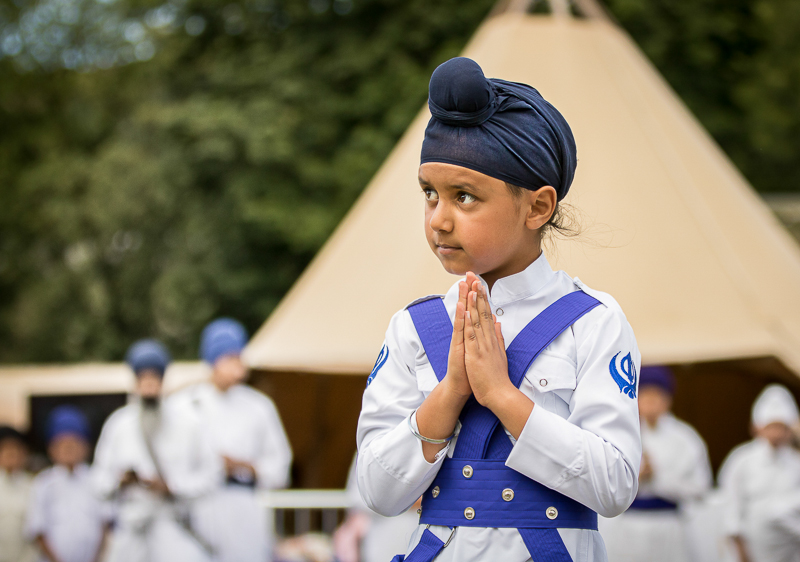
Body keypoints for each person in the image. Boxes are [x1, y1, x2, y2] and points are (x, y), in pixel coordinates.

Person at [356, 57, 642, 562]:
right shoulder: (413, 328)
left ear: (538, 207)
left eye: (465, 197)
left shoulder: (593, 321)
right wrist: (450, 392)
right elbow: (378, 491)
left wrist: (500, 395)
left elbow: (615, 484)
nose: (439, 220)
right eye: (430, 194)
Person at [92, 339, 220, 562]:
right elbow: (98, 480)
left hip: (171, 525)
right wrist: (120, 481)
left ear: (162, 380)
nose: (149, 386)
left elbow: (211, 476)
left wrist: (172, 486)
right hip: (130, 529)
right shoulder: (118, 424)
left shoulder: (188, 424)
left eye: (154, 378)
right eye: (144, 378)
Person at [176, 318, 292, 562]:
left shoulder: (259, 406)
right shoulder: (186, 405)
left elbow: (280, 464)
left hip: (244, 508)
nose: (236, 364)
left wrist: (243, 466)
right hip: (200, 507)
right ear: (213, 360)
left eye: (238, 357)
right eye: (228, 358)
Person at [599, 366, 712, 562]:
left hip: (669, 526)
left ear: (668, 399)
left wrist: (658, 478)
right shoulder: (622, 435)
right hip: (630, 526)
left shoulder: (685, 438)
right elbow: (604, 481)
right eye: (645, 394)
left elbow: (701, 487)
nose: (651, 401)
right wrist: (635, 477)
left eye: (657, 395)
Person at [719, 384, 800, 562]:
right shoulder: (741, 459)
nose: (777, 433)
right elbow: (731, 507)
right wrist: (740, 551)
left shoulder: (796, 463)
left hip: (789, 553)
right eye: (772, 426)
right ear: (757, 427)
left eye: (781, 427)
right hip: (751, 549)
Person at [26, 406, 110, 562]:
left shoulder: (97, 479)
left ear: (86, 448)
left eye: (74, 444)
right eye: (63, 444)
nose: (68, 449)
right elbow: (37, 530)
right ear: (51, 449)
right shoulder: (43, 483)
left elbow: (105, 525)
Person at [0, 425, 36, 562]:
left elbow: (37, 532)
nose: (11, 454)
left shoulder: (33, 486)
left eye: (15, 449)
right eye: (6, 449)